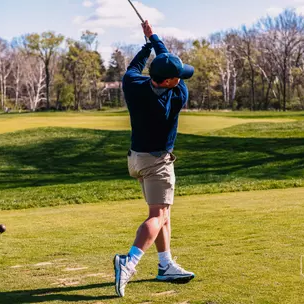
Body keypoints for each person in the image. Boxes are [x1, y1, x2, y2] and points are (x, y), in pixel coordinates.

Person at [114, 20, 195, 298]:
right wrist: (155, 38)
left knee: (165, 214)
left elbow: (134, 67)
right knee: (158, 215)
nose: (181, 78)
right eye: (178, 76)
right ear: (171, 81)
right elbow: (169, 64)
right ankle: (129, 262)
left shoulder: (133, 85)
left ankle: (165, 265)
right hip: (157, 162)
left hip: (136, 159)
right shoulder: (177, 95)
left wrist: (147, 43)